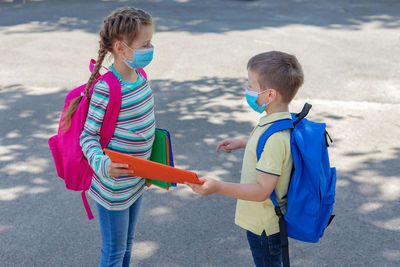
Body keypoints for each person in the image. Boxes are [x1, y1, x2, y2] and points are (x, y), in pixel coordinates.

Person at [186, 51, 304, 267]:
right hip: (265, 224)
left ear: (270, 95)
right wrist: (244, 142)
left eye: (251, 85)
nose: (248, 90)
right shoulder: (279, 122)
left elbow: (261, 191)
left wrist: (218, 187)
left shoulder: (275, 138)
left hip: (264, 227)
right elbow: (271, 151)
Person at [62, 7, 155, 267]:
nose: (150, 49)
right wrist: (104, 165)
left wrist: (151, 170)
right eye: (145, 44)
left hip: (135, 182)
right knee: (114, 252)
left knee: (127, 244)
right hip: (112, 189)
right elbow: (87, 137)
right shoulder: (107, 89)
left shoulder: (141, 77)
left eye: (151, 43)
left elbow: (145, 128)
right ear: (121, 48)